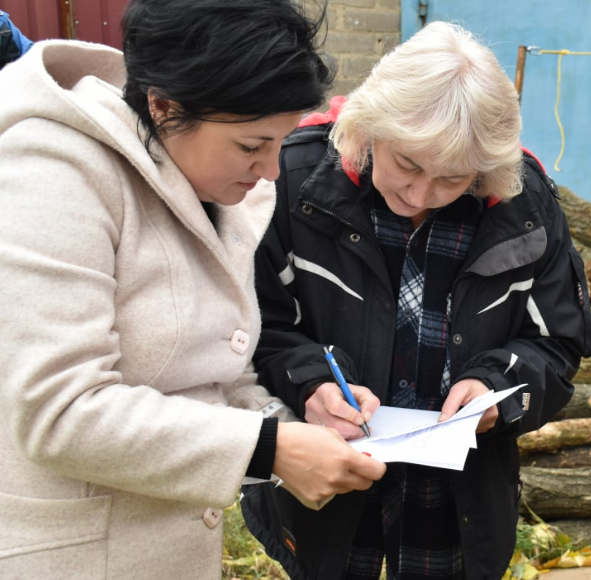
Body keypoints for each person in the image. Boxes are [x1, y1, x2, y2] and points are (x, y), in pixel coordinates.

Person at [0, 1, 385, 578]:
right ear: (163, 106)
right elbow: (62, 409)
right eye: (252, 145)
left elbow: (211, 374)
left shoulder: (210, 183)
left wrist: (295, 421)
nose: (272, 171)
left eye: (281, 142)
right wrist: (269, 447)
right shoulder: (53, 171)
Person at [239, 20, 591, 580]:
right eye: (407, 164)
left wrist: (495, 390)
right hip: (327, 498)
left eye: (451, 179)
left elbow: (556, 344)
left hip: (459, 508)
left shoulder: (522, 206)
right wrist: (310, 383)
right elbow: (254, 326)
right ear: (369, 127)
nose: (418, 195)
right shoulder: (293, 181)